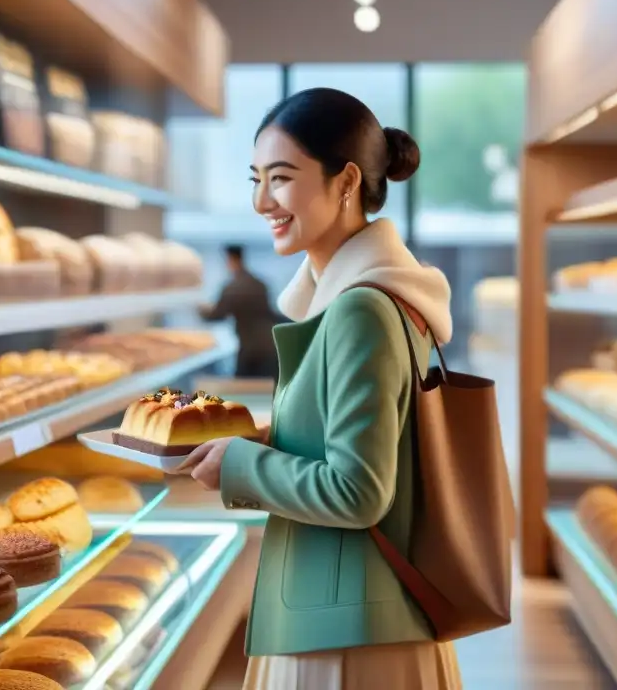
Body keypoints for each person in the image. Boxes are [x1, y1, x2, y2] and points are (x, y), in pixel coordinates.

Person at [176, 88, 459, 690]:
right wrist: (262, 439)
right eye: (256, 179)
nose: (261, 202)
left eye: (280, 178)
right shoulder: (363, 299)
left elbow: (359, 492)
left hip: (349, 636)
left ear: (346, 181)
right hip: (350, 616)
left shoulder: (359, 311)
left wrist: (241, 466)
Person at [200, 245, 282, 380]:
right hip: (269, 345)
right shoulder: (259, 283)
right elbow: (269, 312)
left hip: (249, 349)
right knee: (268, 392)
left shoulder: (233, 287)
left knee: (242, 390)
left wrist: (200, 309)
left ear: (230, 259)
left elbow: (216, 315)